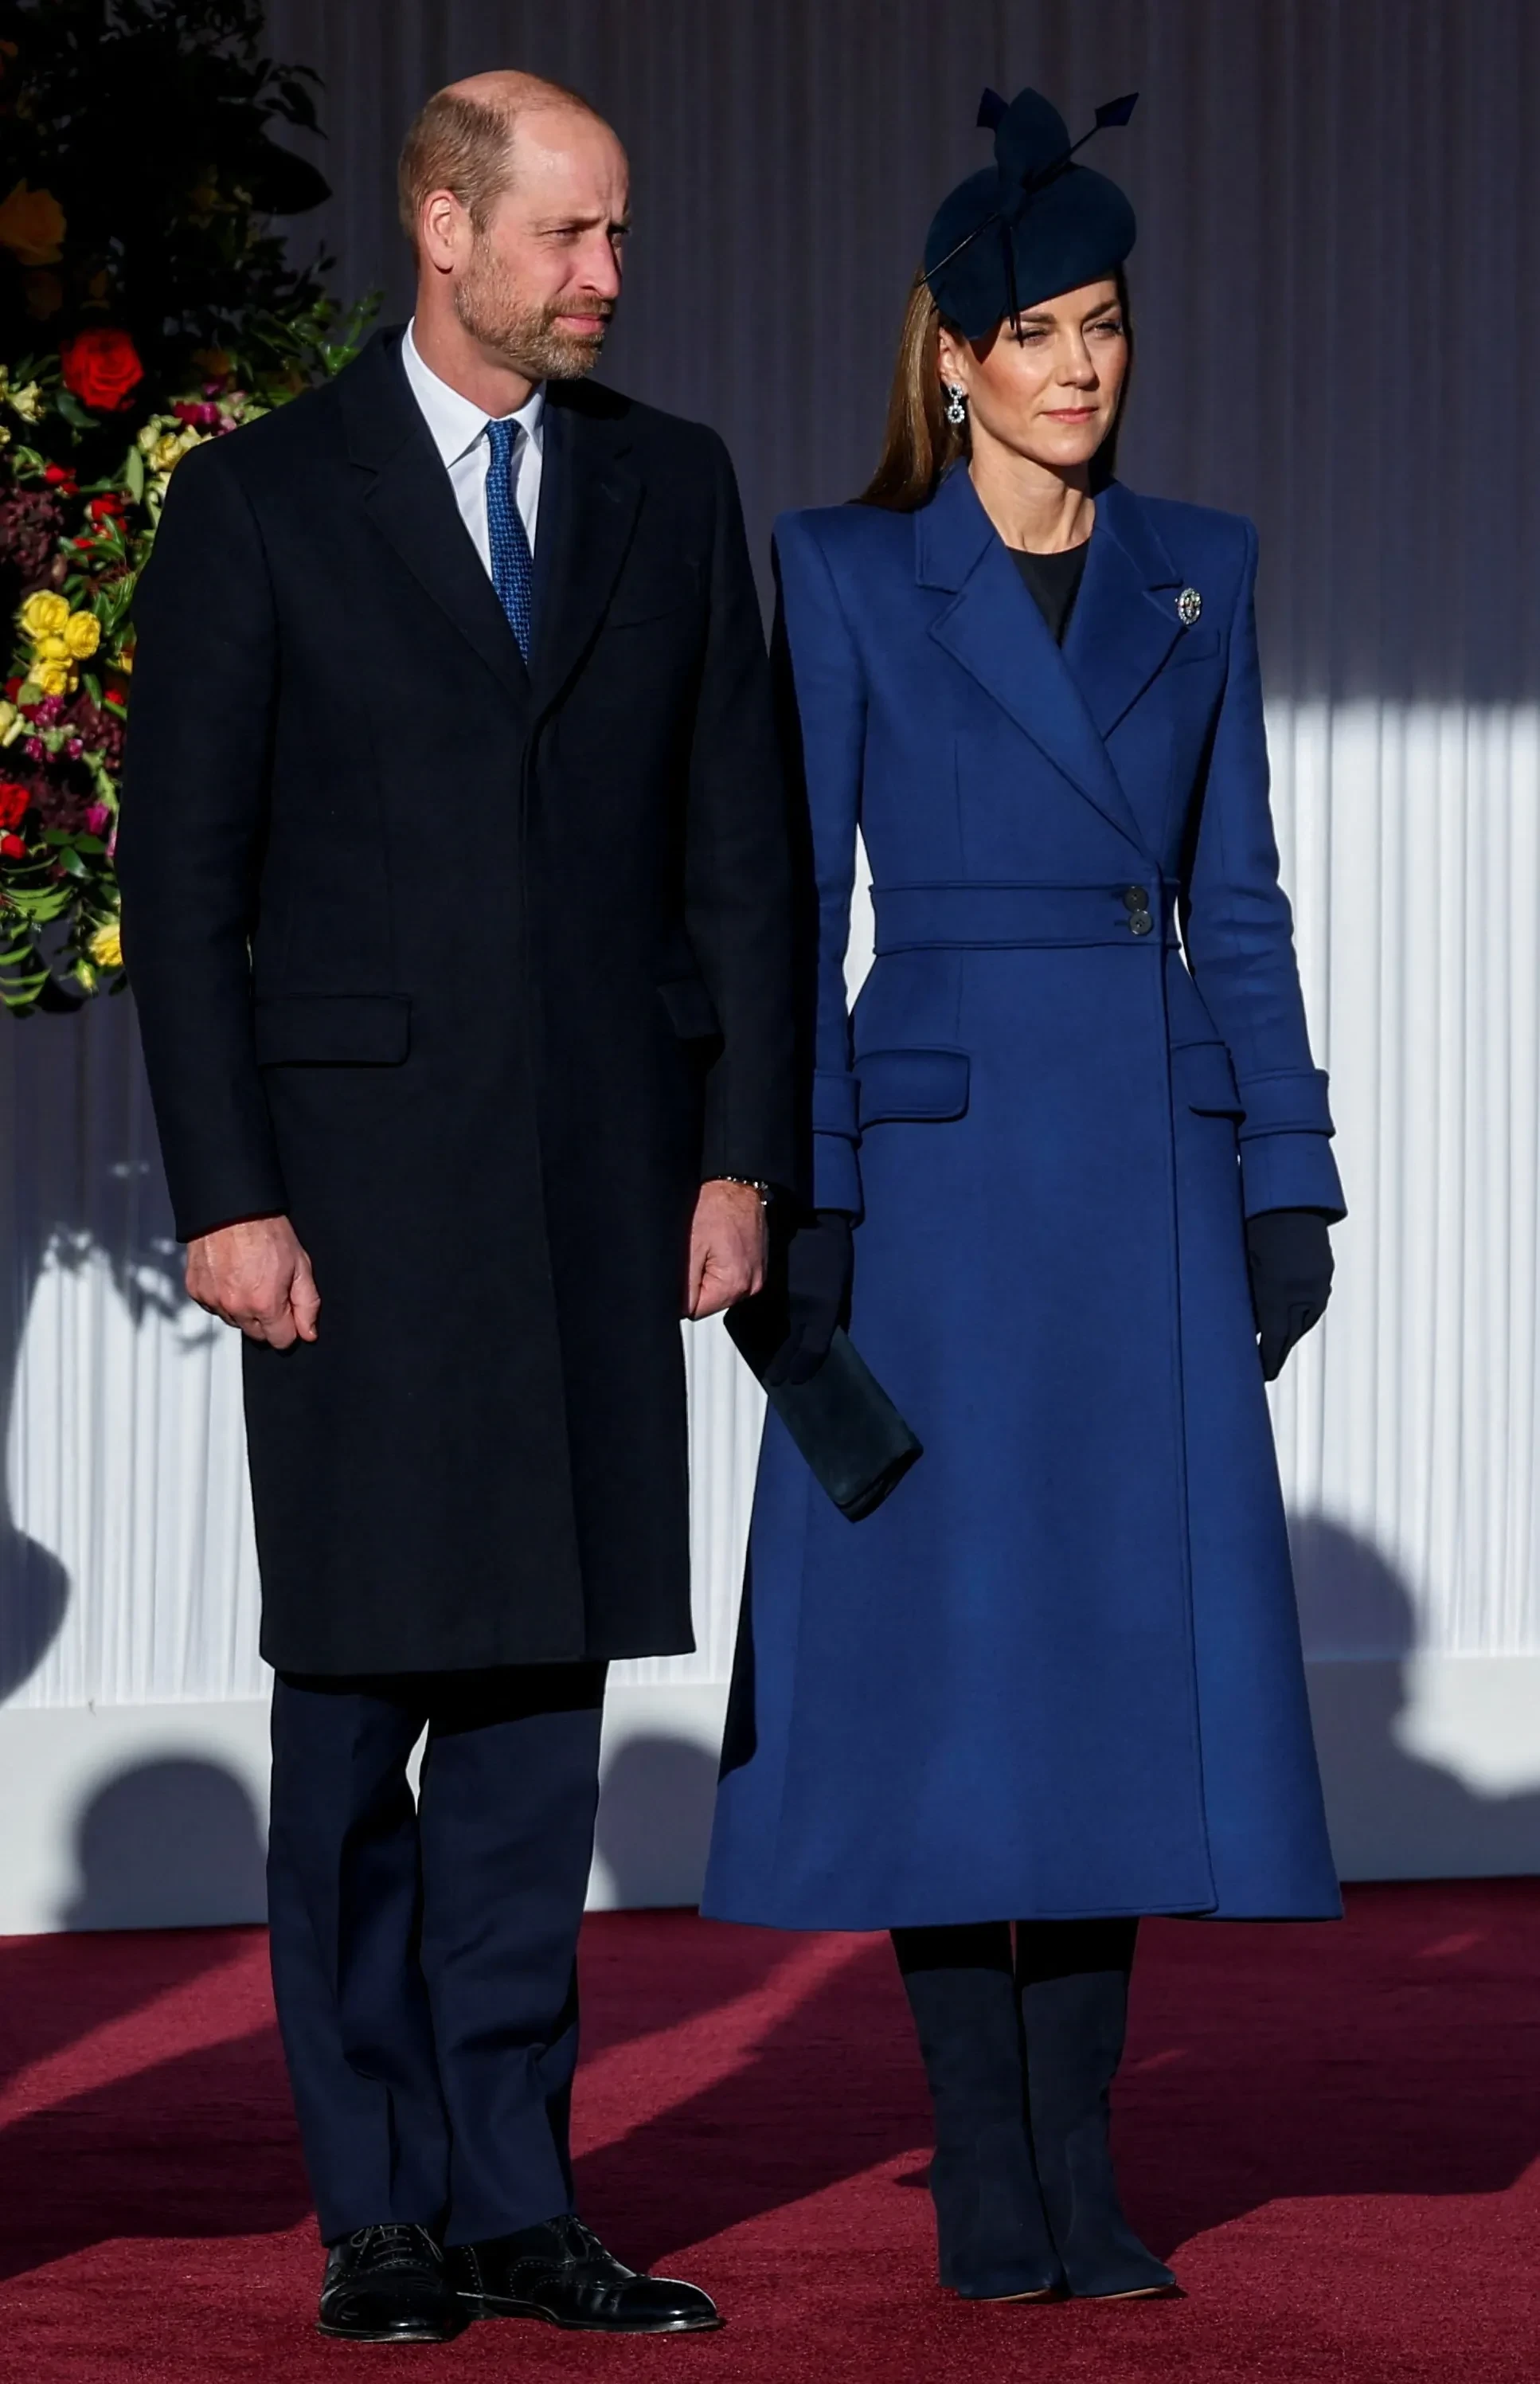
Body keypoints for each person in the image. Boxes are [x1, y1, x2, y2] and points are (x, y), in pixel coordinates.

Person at [118, 70, 792, 2346]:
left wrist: (738, 1152)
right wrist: (229, 1195)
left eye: (618, 236)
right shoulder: (258, 502)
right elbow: (182, 881)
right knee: (354, 1713)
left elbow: (741, 851)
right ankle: (379, 2212)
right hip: (354, 1211)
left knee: (530, 1721)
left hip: (602, 1190)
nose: (609, 273)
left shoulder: (671, 486)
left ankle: (516, 2202)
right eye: (569, 234)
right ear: (441, 226)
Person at [704, 86, 1344, 2304]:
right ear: (953, 356)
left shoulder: (1202, 566)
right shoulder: (844, 570)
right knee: (945, 1662)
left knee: (1100, 1665)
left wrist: (1289, 1169)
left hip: (1148, 1174)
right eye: (1038, 332)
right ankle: (981, 2155)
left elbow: (1238, 897)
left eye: (1106, 324)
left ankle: (1083, 2155)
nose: (1081, 365)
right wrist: (803, 1186)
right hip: (937, 1181)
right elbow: (792, 905)